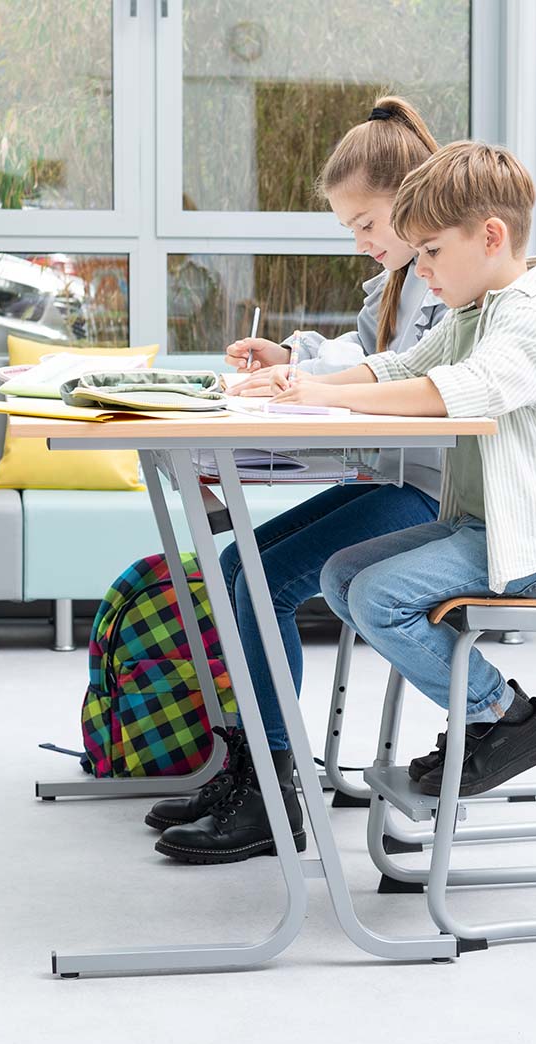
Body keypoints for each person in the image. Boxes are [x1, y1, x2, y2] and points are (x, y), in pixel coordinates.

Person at [150, 97, 450, 864]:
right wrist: (292, 358)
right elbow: (358, 353)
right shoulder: (397, 282)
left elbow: (393, 374)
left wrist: (313, 380)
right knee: (235, 564)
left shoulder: (443, 282)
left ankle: (272, 789)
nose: (359, 242)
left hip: (429, 496)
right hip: (391, 481)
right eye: (350, 227)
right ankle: (257, 764)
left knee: (263, 578)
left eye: (366, 223)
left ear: (413, 194)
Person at [282, 139, 536, 798]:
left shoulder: (528, 319)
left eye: (430, 250)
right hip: (487, 528)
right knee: (341, 574)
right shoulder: (474, 311)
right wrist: (301, 378)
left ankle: (500, 715)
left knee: (378, 595)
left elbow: (453, 391)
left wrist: (324, 394)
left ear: (490, 236)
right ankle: (484, 721)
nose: (420, 268)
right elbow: (406, 365)